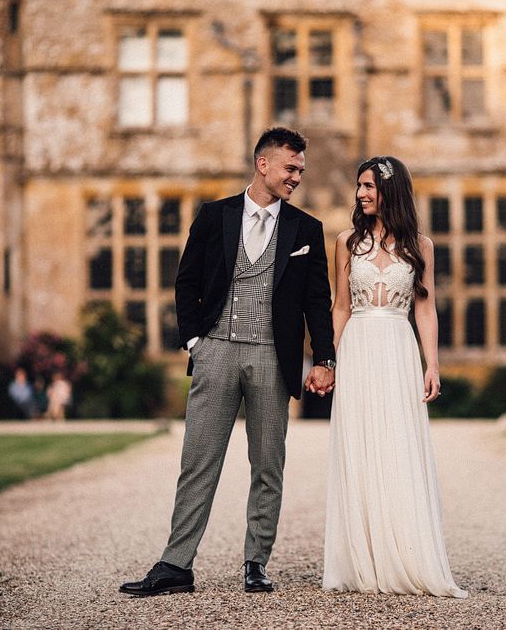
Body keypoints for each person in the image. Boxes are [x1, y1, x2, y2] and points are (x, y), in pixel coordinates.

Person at [119, 127, 335, 597]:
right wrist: (196, 340)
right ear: (263, 164)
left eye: (301, 169)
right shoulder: (214, 215)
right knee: (198, 460)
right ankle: (176, 565)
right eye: (290, 168)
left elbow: (318, 300)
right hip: (215, 349)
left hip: (272, 358)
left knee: (268, 464)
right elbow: (186, 280)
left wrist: (324, 358)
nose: (297, 176)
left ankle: (256, 562)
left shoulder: (306, 230)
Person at [321, 156, 467, 598]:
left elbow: (424, 306)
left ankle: (405, 554)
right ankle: (365, 559)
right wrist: (328, 362)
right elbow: (341, 307)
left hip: (399, 349)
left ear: (391, 190)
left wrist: (433, 364)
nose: (361, 193)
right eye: (359, 186)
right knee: (361, 449)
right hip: (359, 347)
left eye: (369, 186)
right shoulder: (346, 241)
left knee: (399, 448)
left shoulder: (421, 246)